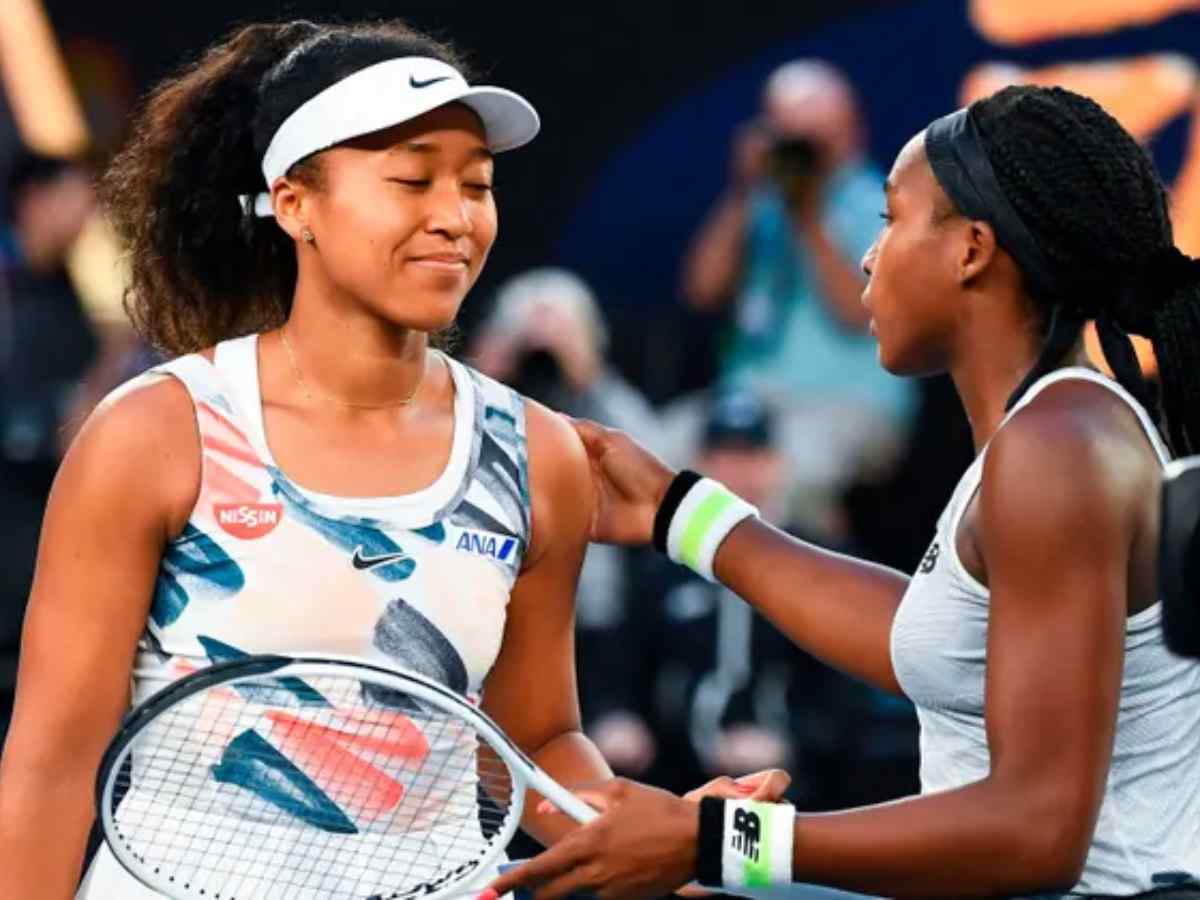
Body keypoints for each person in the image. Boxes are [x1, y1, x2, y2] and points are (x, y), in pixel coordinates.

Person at [488, 84, 1200, 900]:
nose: (869, 254)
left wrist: (720, 840)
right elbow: (930, 639)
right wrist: (678, 511)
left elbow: (1036, 832)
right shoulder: (1049, 429)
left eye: (892, 219)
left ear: (971, 249)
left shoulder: (1057, 449)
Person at [0, 19, 645, 898]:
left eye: (477, 186)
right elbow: (50, 764)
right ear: (294, 201)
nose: (454, 218)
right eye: (412, 180)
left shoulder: (538, 453)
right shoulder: (157, 433)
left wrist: (660, 834)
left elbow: (530, 745)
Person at [674, 60, 915, 538]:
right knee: (649, 458)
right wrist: (744, 190)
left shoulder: (883, 202)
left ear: (851, 133)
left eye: (813, 140)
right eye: (790, 137)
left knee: (776, 481)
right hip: (747, 400)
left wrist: (809, 215)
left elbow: (859, 311)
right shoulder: (760, 204)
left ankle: (777, 607)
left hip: (844, 401)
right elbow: (700, 290)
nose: (802, 154)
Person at [0, 151, 99, 746]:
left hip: (45, 522)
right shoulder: (9, 291)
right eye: (75, 198)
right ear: (34, 200)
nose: (87, 215)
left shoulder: (65, 289)